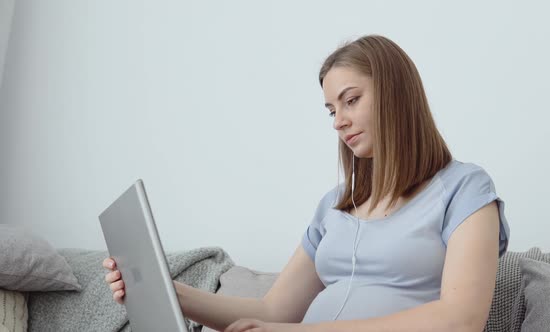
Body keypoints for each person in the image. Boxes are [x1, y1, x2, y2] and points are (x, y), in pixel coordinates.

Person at [103, 34, 510, 332]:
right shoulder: (334, 206)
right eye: (331, 109)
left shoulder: (464, 189)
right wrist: (164, 288)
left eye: (351, 100)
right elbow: (271, 312)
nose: (339, 121)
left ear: (396, 95)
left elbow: (460, 319)